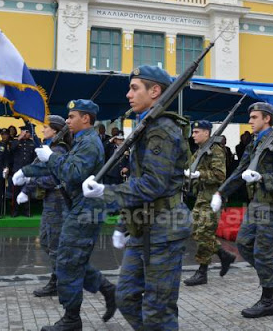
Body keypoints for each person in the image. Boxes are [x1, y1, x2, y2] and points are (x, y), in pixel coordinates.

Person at [82, 66, 192, 330]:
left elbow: (153, 185)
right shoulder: (147, 125)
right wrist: (123, 223)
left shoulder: (162, 130)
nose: (128, 94)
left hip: (165, 228)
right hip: (143, 224)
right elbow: (136, 180)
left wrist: (105, 193)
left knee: (158, 308)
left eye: (135, 88)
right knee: (127, 296)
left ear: (155, 91)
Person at [19, 100, 116, 330]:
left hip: (86, 209)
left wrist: (50, 158)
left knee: (67, 261)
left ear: (86, 118)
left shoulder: (89, 143)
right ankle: (106, 289)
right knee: (71, 259)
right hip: (79, 207)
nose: (68, 121)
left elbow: (71, 173)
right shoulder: (82, 141)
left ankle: (72, 319)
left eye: (72, 116)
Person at [213, 101, 273, 319]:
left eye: (254, 117)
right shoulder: (256, 143)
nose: (250, 121)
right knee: (243, 243)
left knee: (262, 250)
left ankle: (268, 300)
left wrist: (262, 177)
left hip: (271, 205)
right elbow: (240, 170)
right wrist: (221, 193)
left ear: (267, 119)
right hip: (256, 202)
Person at [17, 115, 70, 298]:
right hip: (50, 201)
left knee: (54, 244)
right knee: (47, 241)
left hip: (58, 201)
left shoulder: (58, 151)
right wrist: (26, 185)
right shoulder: (49, 148)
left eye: (46, 126)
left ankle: (60, 282)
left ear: (55, 130)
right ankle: (62, 277)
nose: (43, 129)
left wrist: (31, 185)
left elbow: (54, 177)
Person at [183, 120, 235, 287]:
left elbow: (220, 175)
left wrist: (199, 174)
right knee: (198, 232)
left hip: (213, 198)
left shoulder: (215, 150)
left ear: (206, 133)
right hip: (201, 197)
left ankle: (202, 271)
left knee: (204, 232)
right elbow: (189, 167)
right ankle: (223, 254)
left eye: (196, 132)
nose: (193, 135)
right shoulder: (198, 152)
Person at [9, 123, 36, 217]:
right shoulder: (16, 141)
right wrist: (19, 138)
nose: (27, 134)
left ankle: (26, 211)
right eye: (25, 132)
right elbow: (11, 149)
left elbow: (34, 157)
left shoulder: (32, 143)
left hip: (28, 170)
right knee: (15, 191)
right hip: (17, 170)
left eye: (28, 132)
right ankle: (14, 211)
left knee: (27, 190)